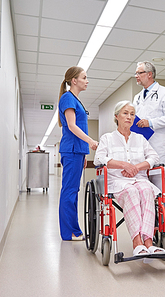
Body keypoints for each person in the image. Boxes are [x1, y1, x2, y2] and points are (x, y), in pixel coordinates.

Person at [94, 100, 165, 258]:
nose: (129, 117)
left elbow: (154, 156)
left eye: (132, 114)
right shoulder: (107, 138)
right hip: (117, 182)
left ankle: (148, 242)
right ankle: (137, 242)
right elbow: (99, 159)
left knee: (147, 190)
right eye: (125, 113)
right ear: (117, 116)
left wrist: (136, 168)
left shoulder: (140, 139)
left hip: (140, 179)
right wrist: (123, 165)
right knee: (132, 191)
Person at [132, 61, 165, 234]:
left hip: (157, 148)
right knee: (144, 192)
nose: (136, 76)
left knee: (162, 192)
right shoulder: (137, 97)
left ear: (149, 74)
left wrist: (150, 122)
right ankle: (148, 228)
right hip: (140, 150)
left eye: (139, 72)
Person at [58, 66, 99, 241]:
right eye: (84, 77)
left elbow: (78, 126)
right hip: (72, 150)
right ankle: (70, 232)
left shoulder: (75, 99)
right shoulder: (68, 98)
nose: (87, 80)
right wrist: (90, 141)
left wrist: (85, 153)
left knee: (73, 191)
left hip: (77, 151)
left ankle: (74, 230)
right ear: (74, 81)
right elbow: (72, 126)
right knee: (69, 191)